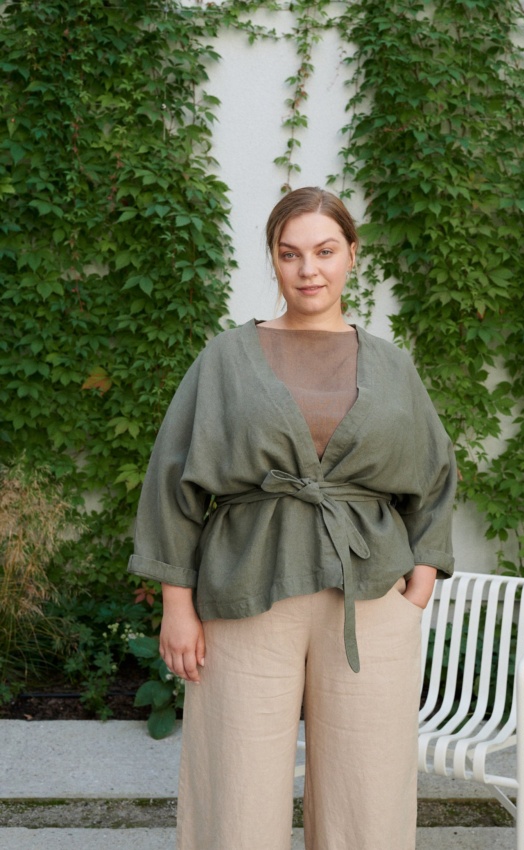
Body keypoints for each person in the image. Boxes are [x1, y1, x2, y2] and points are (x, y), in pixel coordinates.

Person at [128, 186, 457, 850]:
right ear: (274, 262)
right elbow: (172, 477)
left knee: (369, 793)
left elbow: (435, 473)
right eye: (290, 253)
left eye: (325, 251)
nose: (309, 269)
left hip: (369, 598)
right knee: (237, 789)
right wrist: (176, 604)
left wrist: (420, 579)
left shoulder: (393, 365)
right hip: (246, 589)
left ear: (352, 256)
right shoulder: (225, 358)